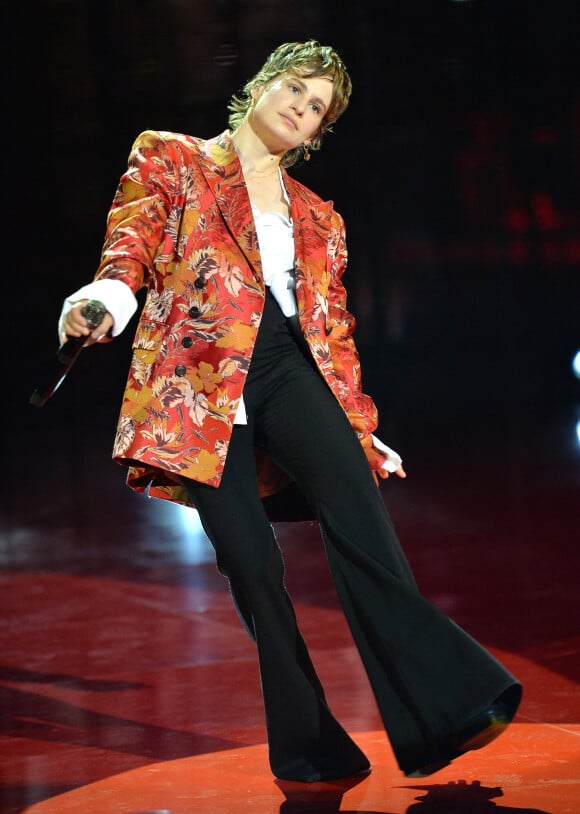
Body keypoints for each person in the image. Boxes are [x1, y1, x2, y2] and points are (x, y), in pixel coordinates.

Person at [59, 40, 522, 783]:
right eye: (296, 91)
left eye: (317, 110)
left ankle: (448, 707)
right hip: (197, 384)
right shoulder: (174, 157)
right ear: (263, 85)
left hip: (286, 370)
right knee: (253, 568)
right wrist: (104, 300)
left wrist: (363, 431)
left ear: (317, 134)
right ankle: (310, 745)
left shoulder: (318, 216)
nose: (301, 110)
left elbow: (332, 331)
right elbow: (132, 245)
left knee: (363, 524)